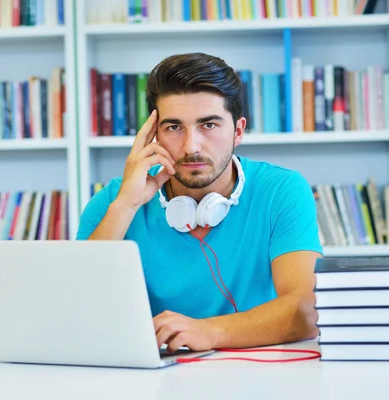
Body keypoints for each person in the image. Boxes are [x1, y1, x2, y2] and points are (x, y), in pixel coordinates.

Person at [76, 52, 323, 353]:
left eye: (208, 125)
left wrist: (209, 332)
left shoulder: (281, 190)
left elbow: (305, 311)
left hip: (259, 374)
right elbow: (78, 309)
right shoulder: (114, 202)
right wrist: (126, 205)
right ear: (153, 135)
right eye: (174, 127)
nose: (191, 147)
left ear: (238, 131)